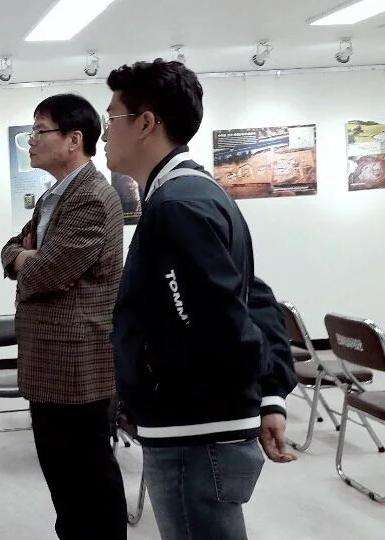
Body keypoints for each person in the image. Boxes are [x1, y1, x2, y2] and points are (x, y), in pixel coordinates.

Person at [104, 59, 298, 539]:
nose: (104, 134)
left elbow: (215, 326)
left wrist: (255, 393)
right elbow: (254, 297)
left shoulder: (178, 205)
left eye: (112, 119)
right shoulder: (193, 191)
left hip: (194, 434)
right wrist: (268, 395)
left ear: (146, 123)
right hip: (201, 428)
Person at [0, 93, 127, 539]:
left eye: (39, 130)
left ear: (74, 139)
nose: (31, 140)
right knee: (64, 480)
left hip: (77, 366)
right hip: (49, 362)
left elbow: (48, 271)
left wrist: (25, 260)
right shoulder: (55, 196)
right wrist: (21, 256)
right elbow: (11, 248)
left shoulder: (91, 196)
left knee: (89, 478)